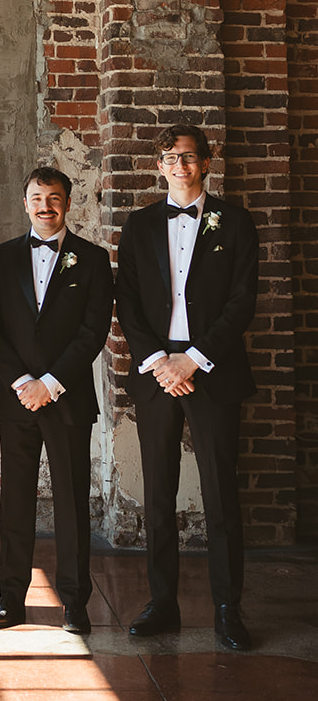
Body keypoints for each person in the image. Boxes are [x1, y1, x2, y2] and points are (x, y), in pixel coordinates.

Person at [116, 124, 259, 652]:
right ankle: (163, 603)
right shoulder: (139, 225)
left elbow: (242, 300)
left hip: (212, 368)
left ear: (206, 163)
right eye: (172, 157)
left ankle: (227, 608)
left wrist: (192, 361)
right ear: (159, 164)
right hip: (158, 373)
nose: (181, 165)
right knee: (158, 495)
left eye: (190, 157)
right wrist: (160, 362)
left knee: (222, 495)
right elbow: (126, 300)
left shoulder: (236, 222)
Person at [0, 165, 113, 635]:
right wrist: (22, 381)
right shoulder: (3, 257)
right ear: (25, 203)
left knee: (72, 501)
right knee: (16, 500)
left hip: (68, 398)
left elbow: (92, 331)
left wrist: (51, 382)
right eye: (37, 198)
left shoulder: (93, 260)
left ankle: (75, 602)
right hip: (16, 398)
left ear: (68, 203)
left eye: (53, 198)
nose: (45, 206)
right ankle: (9, 597)